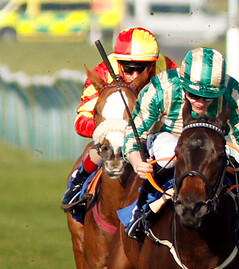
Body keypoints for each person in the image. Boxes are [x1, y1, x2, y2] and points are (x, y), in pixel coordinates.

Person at [122, 47, 239, 239]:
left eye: (209, 98)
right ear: (183, 85)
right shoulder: (162, 87)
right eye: (193, 95)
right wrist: (136, 161)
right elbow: (134, 132)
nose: (200, 102)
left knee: (226, 157)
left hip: (209, 142)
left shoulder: (231, 92)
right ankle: (142, 211)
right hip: (168, 141)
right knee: (173, 152)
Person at [61, 27, 178, 212]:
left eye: (139, 70)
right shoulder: (103, 73)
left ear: (152, 65)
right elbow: (81, 121)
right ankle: (78, 183)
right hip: (115, 137)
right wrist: (112, 129)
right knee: (98, 149)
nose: (133, 76)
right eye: (127, 69)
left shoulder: (170, 71)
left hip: (155, 135)